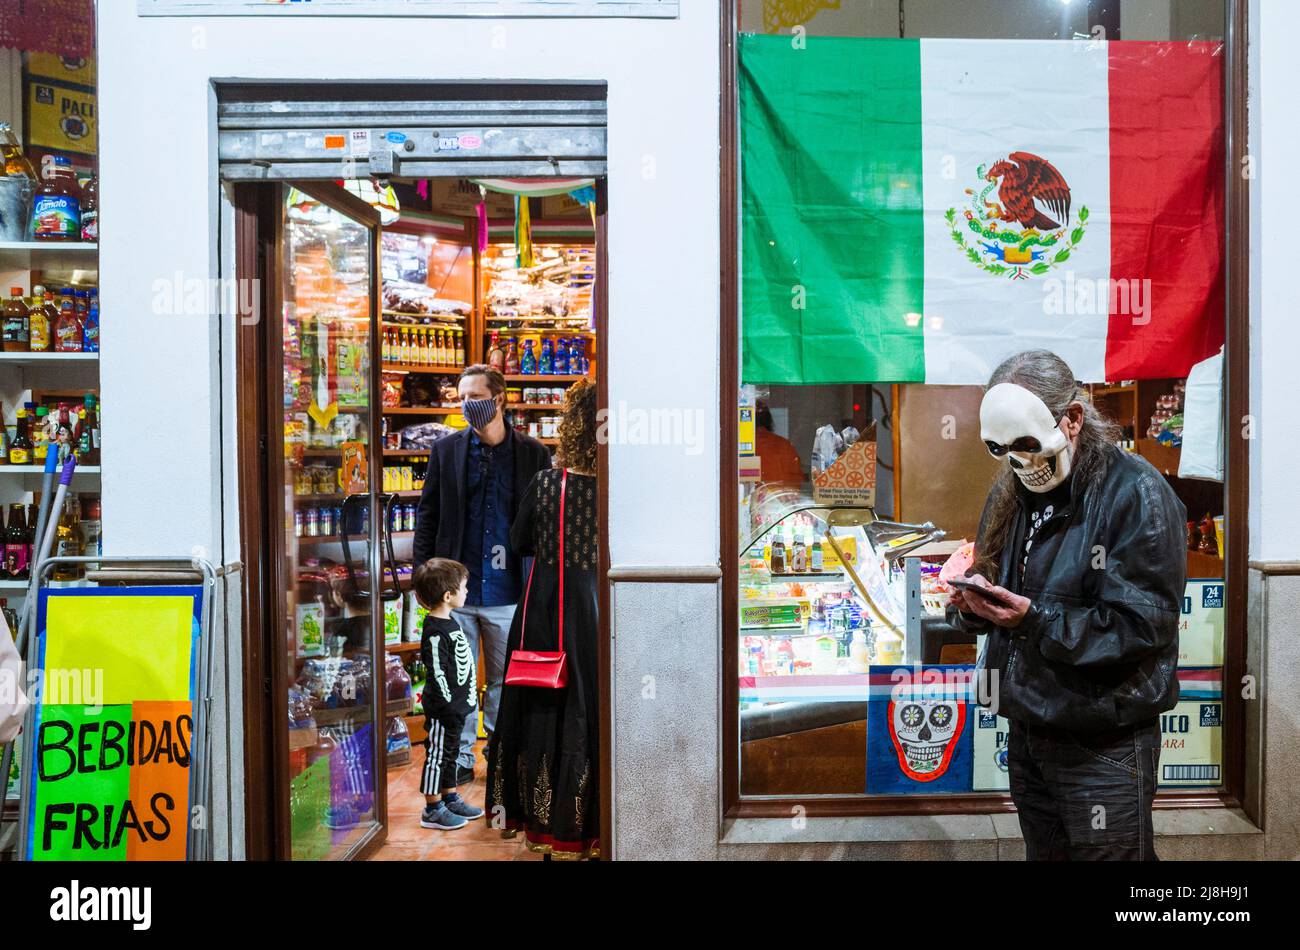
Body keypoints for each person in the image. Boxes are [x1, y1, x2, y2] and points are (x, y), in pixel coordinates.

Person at [948, 350, 1185, 861]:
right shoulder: (1012, 489)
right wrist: (971, 604)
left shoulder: (1136, 491)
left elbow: (1143, 626)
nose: (1018, 461)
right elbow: (997, 586)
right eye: (1000, 448)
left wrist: (1034, 620)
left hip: (1103, 740)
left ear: (1072, 419)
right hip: (1030, 728)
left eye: (1029, 445)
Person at [413, 364, 551, 786]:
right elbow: (429, 513)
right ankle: (457, 757)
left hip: (510, 589)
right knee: (457, 682)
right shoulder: (447, 450)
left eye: (476, 396)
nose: (468, 405)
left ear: (500, 398)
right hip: (456, 593)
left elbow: (544, 520)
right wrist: (424, 578)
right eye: (462, 398)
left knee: (506, 682)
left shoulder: (532, 453)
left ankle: (501, 749)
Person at [486, 378, 600, 860]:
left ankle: (545, 823)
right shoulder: (620, 487)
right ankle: (592, 827)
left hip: (545, 611)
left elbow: (519, 542)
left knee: (541, 710)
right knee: (588, 711)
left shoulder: (549, 483)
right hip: (597, 611)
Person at [413, 557, 486, 831]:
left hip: (458, 706)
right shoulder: (435, 631)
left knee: (451, 753)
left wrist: (467, 698)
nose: (466, 592)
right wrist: (448, 704)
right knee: (437, 756)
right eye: (464, 588)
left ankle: (450, 796)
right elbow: (438, 672)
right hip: (445, 710)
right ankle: (432, 808)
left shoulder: (451, 622)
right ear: (448, 595)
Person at [755, 399, 803, 487]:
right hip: (781, 498)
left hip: (754, 498)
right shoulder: (785, 445)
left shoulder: (740, 448)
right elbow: (796, 481)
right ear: (769, 421)